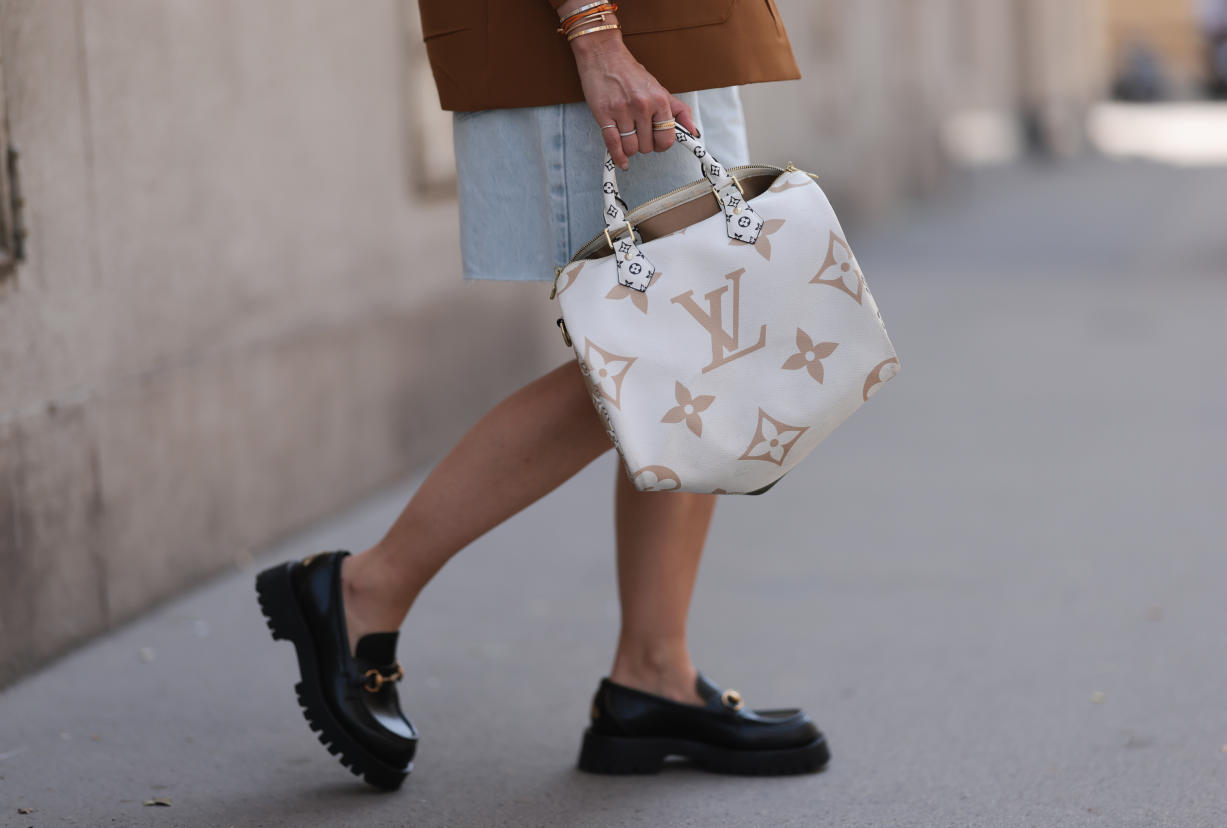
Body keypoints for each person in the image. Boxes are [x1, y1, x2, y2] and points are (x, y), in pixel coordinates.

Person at [255, 0, 829, 790]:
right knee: (681, 348)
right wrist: (594, 32)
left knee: (697, 350)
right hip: (603, 39)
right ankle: (363, 588)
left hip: (667, 36)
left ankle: (652, 672)